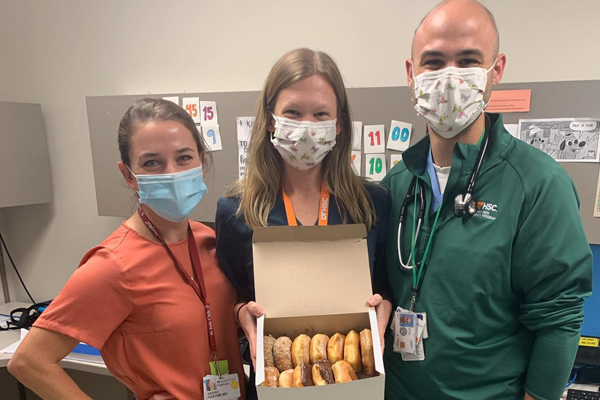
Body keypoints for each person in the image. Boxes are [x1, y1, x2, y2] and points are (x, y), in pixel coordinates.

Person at [381, 1, 593, 399]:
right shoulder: (395, 183)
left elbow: (559, 319)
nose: (449, 77)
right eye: (433, 62)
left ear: (496, 70)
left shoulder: (538, 185)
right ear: (411, 74)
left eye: (467, 61)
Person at [8, 98, 246, 400]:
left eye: (184, 157)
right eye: (152, 162)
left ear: (201, 159)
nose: (171, 172)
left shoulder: (209, 240)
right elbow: (29, 361)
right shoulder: (114, 265)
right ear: (128, 175)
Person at [215, 48, 392, 399]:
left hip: (354, 383)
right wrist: (240, 314)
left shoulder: (372, 204)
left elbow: (388, 285)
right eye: (293, 112)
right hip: (273, 383)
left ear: (339, 123)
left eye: (321, 114)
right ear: (269, 119)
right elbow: (232, 296)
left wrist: (384, 307)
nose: (307, 128)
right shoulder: (236, 212)